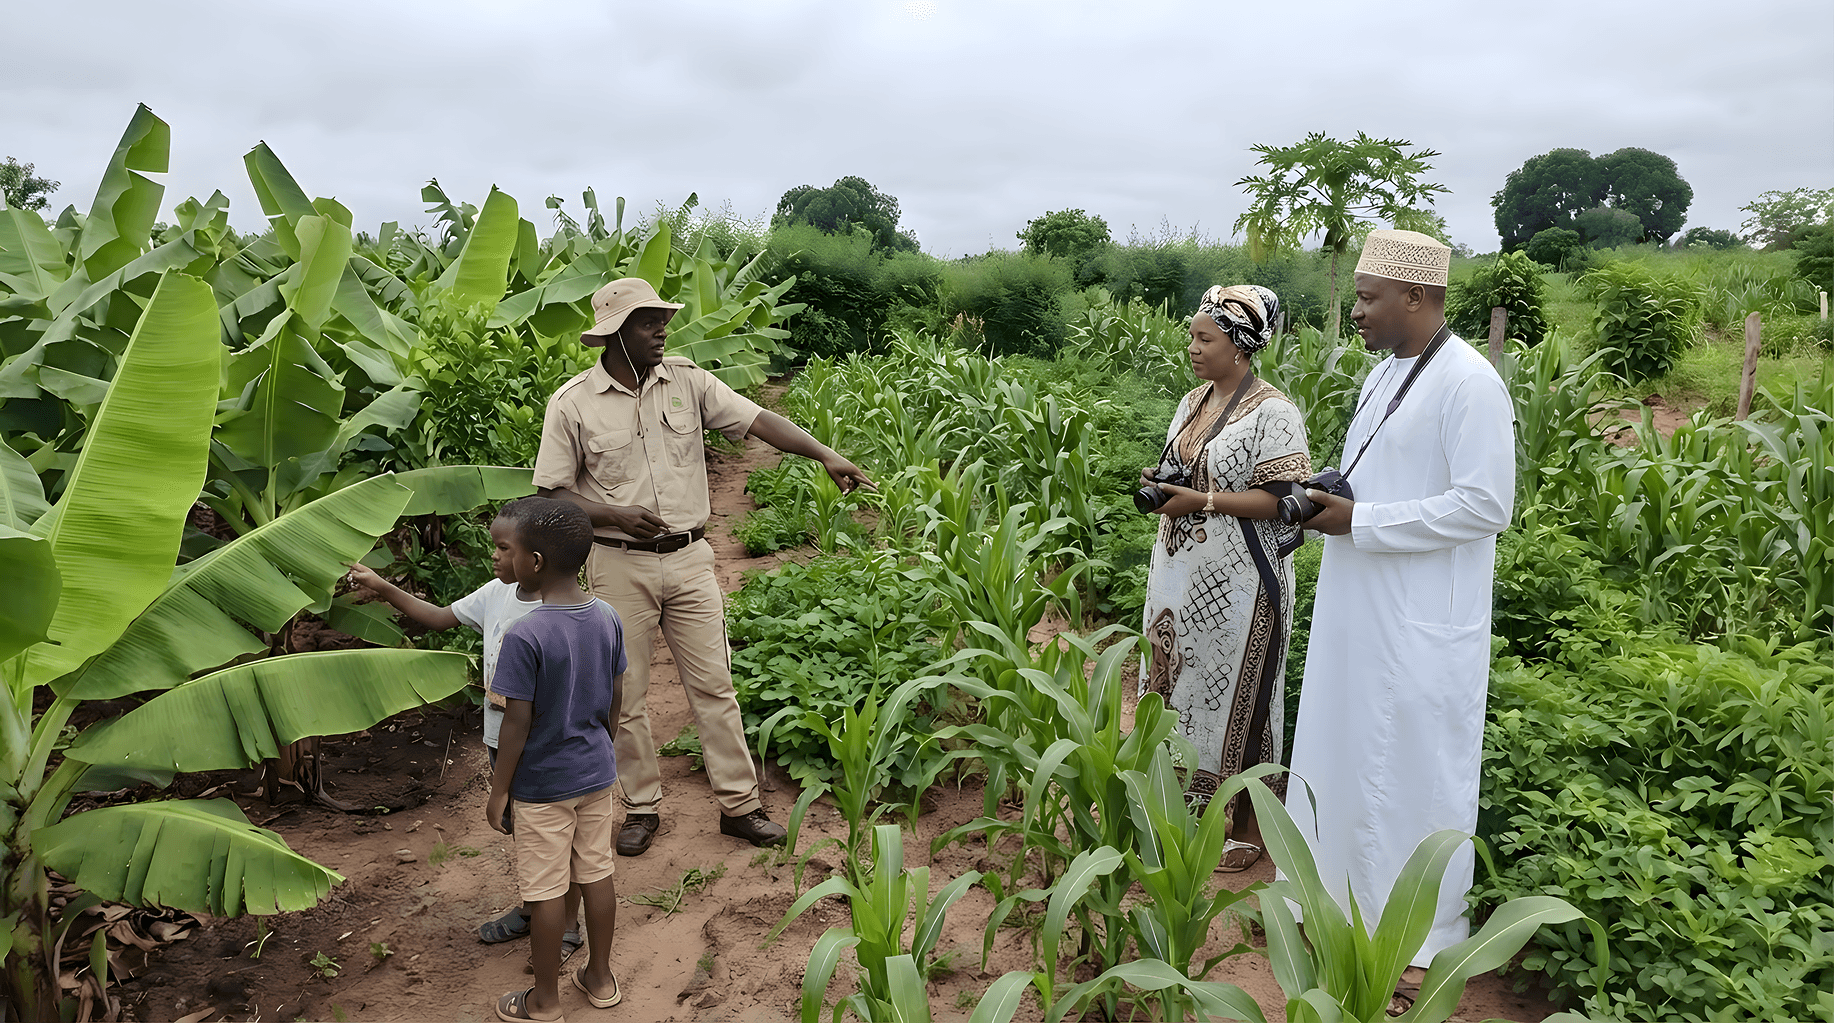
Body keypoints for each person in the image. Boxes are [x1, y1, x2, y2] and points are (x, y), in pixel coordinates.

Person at [534, 277, 875, 856]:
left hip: (691, 559)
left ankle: (739, 806)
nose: (661, 330)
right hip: (618, 566)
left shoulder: (688, 383)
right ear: (616, 333)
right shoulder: (572, 403)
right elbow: (550, 494)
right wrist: (612, 513)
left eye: (662, 320)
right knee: (628, 692)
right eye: (647, 322)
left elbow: (758, 420)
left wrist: (825, 453)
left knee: (715, 686)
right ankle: (641, 807)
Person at [1283, 229, 1515, 1009]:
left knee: (1412, 777)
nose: (1356, 311)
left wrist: (1366, 520)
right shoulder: (1386, 375)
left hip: (1420, 626)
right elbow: (1377, 479)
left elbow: (1487, 504)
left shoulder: (1469, 383)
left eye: (1368, 296)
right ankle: (1342, 910)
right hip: (1363, 611)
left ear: (1416, 297)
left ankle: (1417, 942)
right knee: (1348, 760)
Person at [346, 502, 583, 955]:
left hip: (544, 746)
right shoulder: (496, 593)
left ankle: (565, 926)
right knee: (529, 835)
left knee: (557, 838)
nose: (493, 556)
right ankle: (537, 908)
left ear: (536, 556)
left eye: (503, 548)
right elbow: (438, 616)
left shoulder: (562, 611)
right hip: (501, 739)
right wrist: (382, 586)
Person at [1137, 284, 1311, 872]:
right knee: (1176, 681)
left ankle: (1238, 826)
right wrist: (1165, 483)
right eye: (1192, 335)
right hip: (1178, 572)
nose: (1192, 347)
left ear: (1240, 344)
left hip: (1239, 579)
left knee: (1236, 691)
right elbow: (1183, 465)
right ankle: (1175, 808)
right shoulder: (1193, 400)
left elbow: (1286, 499)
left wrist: (1205, 499)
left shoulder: (1275, 413)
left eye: (1204, 338)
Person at [485, 497, 626, 1022]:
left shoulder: (527, 634)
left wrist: (501, 791)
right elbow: (615, 699)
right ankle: (601, 976)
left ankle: (544, 1001)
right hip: (596, 772)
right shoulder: (606, 615)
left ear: (535, 563)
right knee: (597, 874)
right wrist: (602, 747)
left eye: (510, 550)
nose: (505, 559)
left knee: (545, 890)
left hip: (544, 786)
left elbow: (515, 724)